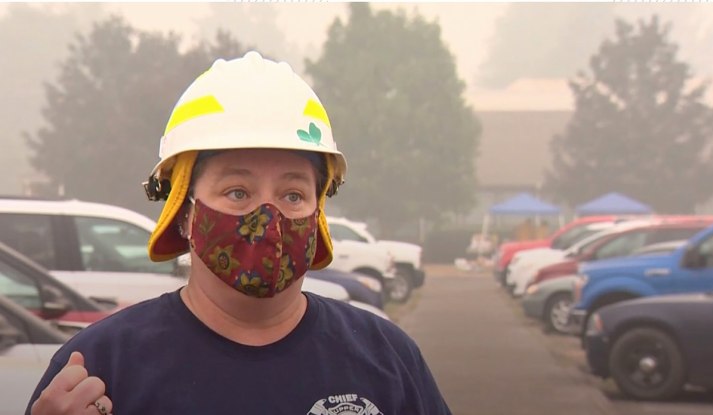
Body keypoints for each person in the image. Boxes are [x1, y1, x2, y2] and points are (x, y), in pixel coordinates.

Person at [27, 51, 451, 415]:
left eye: (292, 195)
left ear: (319, 211)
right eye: (237, 191)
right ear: (184, 213)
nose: (268, 217)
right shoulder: (100, 371)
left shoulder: (387, 359)